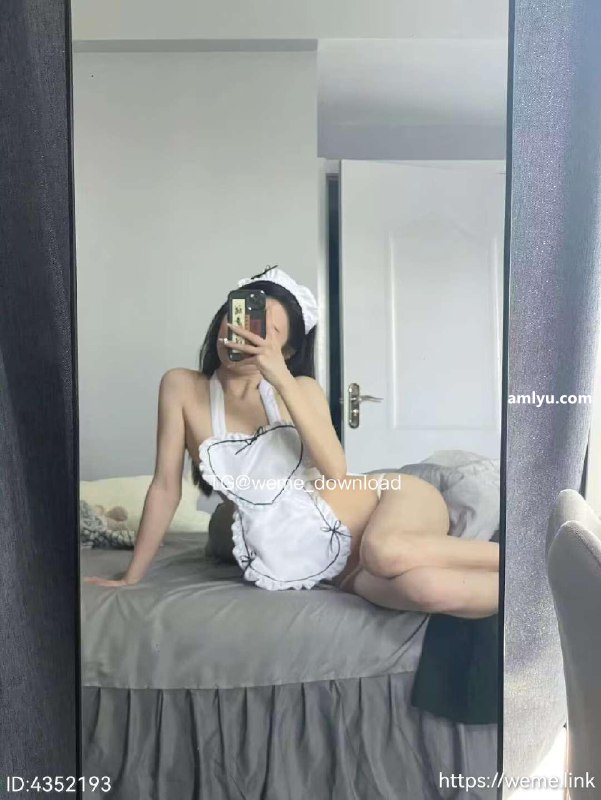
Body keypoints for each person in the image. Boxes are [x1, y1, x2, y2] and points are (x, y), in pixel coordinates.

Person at [85, 266, 499, 618]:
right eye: (240, 317)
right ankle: (530, 591)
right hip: (340, 569)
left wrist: (279, 377)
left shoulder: (299, 389)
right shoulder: (181, 387)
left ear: (287, 349)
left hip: (390, 503)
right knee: (427, 590)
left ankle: (522, 555)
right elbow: (165, 487)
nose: (245, 333)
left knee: (385, 550)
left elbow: (336, 472)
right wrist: (131, 576)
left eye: (267, 331)